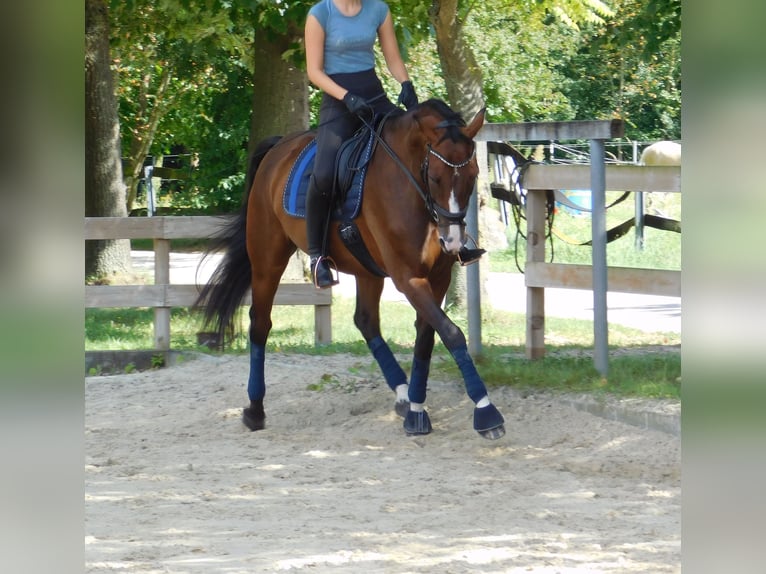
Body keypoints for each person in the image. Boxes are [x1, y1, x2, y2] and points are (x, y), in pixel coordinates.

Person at [304, 0, 418, 288]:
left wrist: (406, 84)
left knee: (415, 143)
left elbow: (391, 57)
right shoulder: (320, 14)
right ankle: (318, 257)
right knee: (324, 174)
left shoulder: (378, 10)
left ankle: (448, 235)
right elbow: (314, 72)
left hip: (373, 95)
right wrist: (346, 97)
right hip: (338, 101)